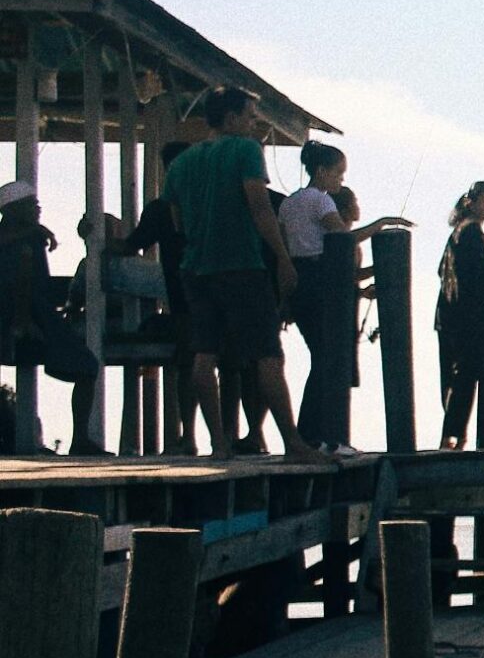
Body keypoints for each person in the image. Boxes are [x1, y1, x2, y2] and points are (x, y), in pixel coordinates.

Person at [164, 87, 317, 459]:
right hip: (242, 265)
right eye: (250, 116)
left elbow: (177, 220)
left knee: (205, 353)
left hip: (196, 269)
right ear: (231, 118)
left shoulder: (181, 163)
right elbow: (260, 207)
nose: (255, 125)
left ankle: (218, 443)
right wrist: (283, 257)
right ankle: (293, 442)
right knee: (267, 354)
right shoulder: (245, 151)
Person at [280, 142, 409, 445]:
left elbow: (286, 250)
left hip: (299, 283)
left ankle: (311, 434)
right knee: (329, 361)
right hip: (322, 283)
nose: (341, 180)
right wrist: (382, 224)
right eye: (338, 173)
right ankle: (319, 436)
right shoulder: (321, 201)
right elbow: (343, 239)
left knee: (320, 358)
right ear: (322, 171)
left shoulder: (288, 204)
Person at [0, 180, 106, 454]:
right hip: (29, 316)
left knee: (85, 366)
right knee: (87, 366)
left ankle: (80, 440)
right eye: (30, 205)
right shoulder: (27, 241)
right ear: (11, 210)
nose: (38, 208)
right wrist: (23, 322)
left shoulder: (26, 235)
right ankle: (80, 440)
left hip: (27, 315)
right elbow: (21, 282)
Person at [118, 143, 202, 451]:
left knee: (190, 361)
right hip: (208, 291)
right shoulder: (208, 203)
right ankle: (218, 436)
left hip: (183, 294)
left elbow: (131, 245)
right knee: (219, 364)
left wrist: (99, 242)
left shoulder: (161, 208)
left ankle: (191, 436)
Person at [435, 181, 484, 448]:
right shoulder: (471, 232)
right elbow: (482, 269)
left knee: (453, 374)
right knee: (465, 374)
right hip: (464, 318)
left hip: (448, 314)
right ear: (472, 202)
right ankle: (453, 434)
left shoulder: (458, 232)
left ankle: (453, 434)